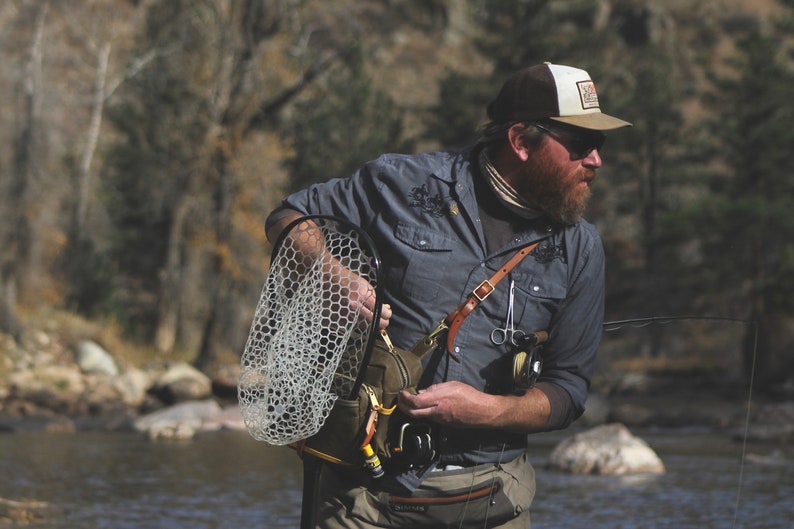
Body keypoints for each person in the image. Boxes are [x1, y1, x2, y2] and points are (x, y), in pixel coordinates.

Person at [265, 62, 631, 528]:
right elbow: (288, 218)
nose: (596, 160)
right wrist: (336, 278)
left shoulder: (581, 249)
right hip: (360, 497)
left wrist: (487, 411)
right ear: (520, 141)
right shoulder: (399, 183)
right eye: (581, 145)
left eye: (600, 146)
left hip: (492, 499)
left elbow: (567, 392)